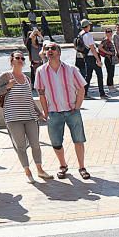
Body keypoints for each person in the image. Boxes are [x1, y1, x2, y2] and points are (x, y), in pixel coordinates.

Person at [0, 52, 50, 182]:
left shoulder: (27, 78)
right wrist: (7, 86)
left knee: (35, 144)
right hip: (13, 118)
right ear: (11, 60)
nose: (20, 60)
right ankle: (27, 171)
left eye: (22, 58)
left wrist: (39, 113)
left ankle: (40, 170)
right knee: (21, 146)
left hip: (30, 116)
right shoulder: (5, 76)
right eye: (17, 58)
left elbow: (29, 99)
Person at [37, 41, 91, 180]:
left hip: (72, 111)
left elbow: (81, 88)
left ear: (59, 52)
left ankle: (82, 167)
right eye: (47, 49)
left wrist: (77, 107)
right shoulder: (41, 71)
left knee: (78, 140)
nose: (50, 50)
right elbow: (41, 93)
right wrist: (45, 112)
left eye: (53, 48)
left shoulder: (71, 69)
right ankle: (63, 165)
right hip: (53, 112)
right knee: (56, 142)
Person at [77, 19, 106, 99]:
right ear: (87, 26)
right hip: (92, 57)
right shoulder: (88, 35)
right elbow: (92, 49)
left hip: (86, 57)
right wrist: (98, 59)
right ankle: (102, 93)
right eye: (89, 25)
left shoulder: (80, 34)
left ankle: (85, 93)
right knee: (99, 75)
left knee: (88, 76)